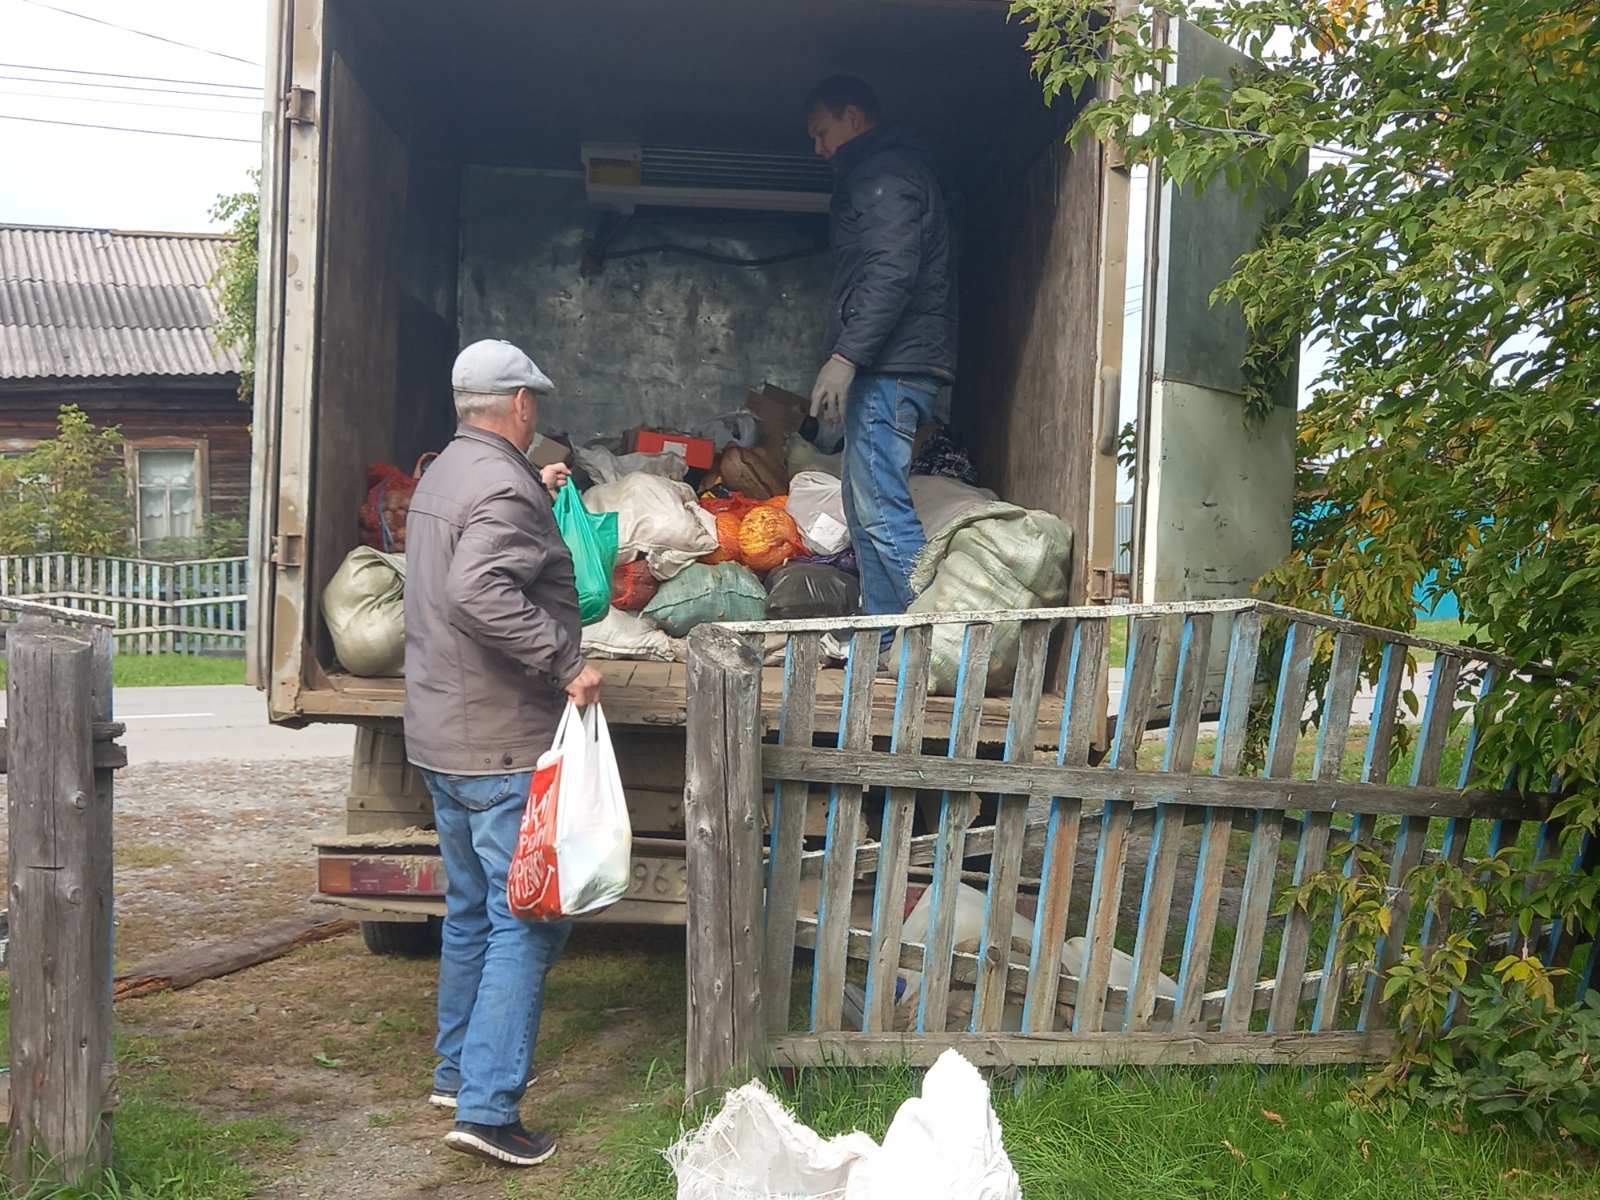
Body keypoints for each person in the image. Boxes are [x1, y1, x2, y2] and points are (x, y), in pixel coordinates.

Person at [403, 338, 604, 1169]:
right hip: (497, 740)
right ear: (519, 404)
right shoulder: (498, 483)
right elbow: (478, 587)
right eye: (537, 404)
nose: (540, 416)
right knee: (530, 916)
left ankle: (456, 1073)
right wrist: (568, 663)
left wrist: (537, 487)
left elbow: (471, 548)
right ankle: (488, 1110)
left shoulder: (449, 470)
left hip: (442, 734)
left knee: (473, 910)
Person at [804, 74, 957, 658]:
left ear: (852, 117)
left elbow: (892, 273)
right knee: (863, 506)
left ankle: (926, 640)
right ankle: (887, 633)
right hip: (888, 363)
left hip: (892, 367)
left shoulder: (884, 176)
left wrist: (846, 357)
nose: (818, 148)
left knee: (882, 506)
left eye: (822, 132)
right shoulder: (878, 174)